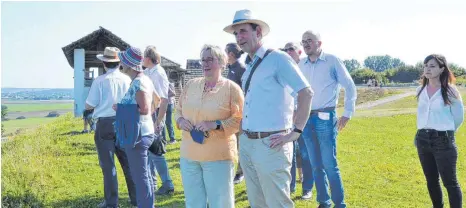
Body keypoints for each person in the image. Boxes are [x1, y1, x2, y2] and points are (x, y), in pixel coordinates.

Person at [224, 9, 313, 208]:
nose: (239, 37)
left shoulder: (278, 59)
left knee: (277, 203)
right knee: (257, 203)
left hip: (271, 144)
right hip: (248, 143)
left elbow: (306, 93)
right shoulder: (250, 65)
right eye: (236, 33)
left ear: (259, 32)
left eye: (243, 31)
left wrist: (296, 132)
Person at [175, 44, 244, 208]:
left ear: (221, 62)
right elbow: (178, 110)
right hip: (189, 155)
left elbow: (240, 119)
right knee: (193, 202)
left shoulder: (231, 89)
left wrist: (216, 124)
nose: (205, 64)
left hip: (218, 157)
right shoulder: (191, 84)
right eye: (203, 60)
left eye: (210, 59)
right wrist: (180, 121)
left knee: (220, 202)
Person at [298, 30, 357, 208]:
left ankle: (340, 204)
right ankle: (324, 202)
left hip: (325, 117)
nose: (306, 44)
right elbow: (296, 92)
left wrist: (347, 113)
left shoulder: (332, 61)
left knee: (330, 165)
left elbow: (350, 85)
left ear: (319, 43)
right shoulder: (301, 64)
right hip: (307, 119)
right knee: (315, 165)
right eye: (303, 41)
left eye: (309, 40)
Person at [85, 47, 137, 208]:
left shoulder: (99, 81)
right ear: (118, 62)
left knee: (108, 165)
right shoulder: (127, 79)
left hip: (105, 123)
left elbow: (89, 104)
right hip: (124, 121)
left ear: (104, 63)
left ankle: (111, 202)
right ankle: (136, 198)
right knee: (128, 162)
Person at [415, 54, 463, 208]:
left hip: (444, 140)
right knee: (431, 180)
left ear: (442, 69)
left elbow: (458, 117)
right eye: (425, 66)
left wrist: (446, 132)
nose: (427, 69)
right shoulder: (420, 90)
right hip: (422, 139)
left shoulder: (450, 91)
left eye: (432, 66)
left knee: (450, 182)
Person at [115, 47, 160, 208]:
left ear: (129, 64)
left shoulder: (139, 82)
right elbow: (157, 102)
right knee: (144, 175)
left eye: (123, 61)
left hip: (137, 135)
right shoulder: (145, 79)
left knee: (140, 177)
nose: (120, 63)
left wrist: (120, 108)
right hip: (145, 132)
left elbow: (145, 108)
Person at [283, 41, 315, 200]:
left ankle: (307, 188)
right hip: (287, 119)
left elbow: (308, 93)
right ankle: (290, 187)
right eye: (285, 49)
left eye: (291, 49)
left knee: (305, 154)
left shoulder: (304, 68)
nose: (288, 51)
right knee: (290, 154)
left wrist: (299, 111)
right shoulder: (282, 69)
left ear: (299, 52)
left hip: (303, 119)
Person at [142, 46, 175, 195]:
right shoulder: (149, 71)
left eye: (144, 57)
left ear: (148, 58)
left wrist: (158, 121)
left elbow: (164, 99)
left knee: (155, 151)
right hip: (150, 114)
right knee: (150, 151)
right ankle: (153, 182)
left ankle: (167, 183)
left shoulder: (158, 73)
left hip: (155, 114)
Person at [225, 42, 246, 184]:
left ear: (231, 54)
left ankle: (240, 172)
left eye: (225, 52)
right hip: (230, 113)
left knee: (239, 143)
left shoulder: (241, 69)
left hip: (239, 114)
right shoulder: (231, 68)